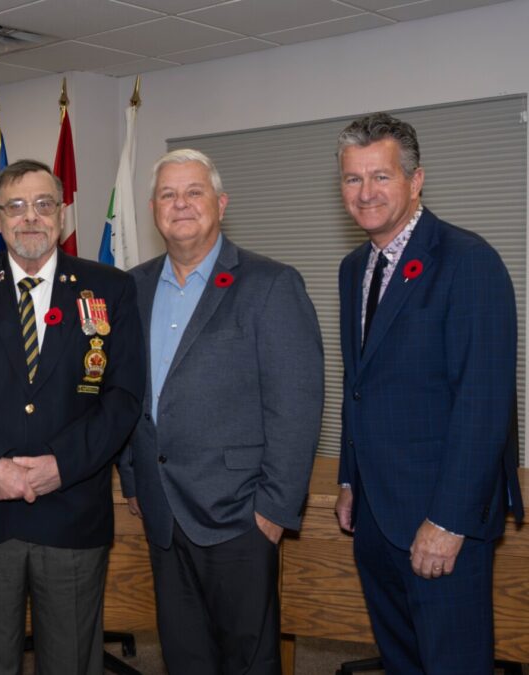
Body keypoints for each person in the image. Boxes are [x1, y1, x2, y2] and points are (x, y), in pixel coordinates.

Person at [0, 159, 144, 674]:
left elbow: (123, 397)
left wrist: (60, 465)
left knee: (70, 661)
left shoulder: (109, 288)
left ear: (62, 217)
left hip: (71, 509)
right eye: (16, 206)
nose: (31, 218)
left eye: (44, 204)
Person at [118, 148, 324, 675]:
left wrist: (274, 512)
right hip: (163, 514)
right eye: (168, 194)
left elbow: (296, 406)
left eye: (194, 192)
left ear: (221, 203)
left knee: (247, 662)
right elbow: (123, 394)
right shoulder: (131, 288)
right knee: (185, 657)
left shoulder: (270, 284)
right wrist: (134, 480)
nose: (180, 204)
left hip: (240, 516)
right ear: (153, 208)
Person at [334, 112, 523, 674]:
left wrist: (448, 522)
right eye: (352, 179)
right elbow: (359, 385)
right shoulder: (353, 269)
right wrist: (348, 478)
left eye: (381, 176)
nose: (365, 192)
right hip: (375, 517)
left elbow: (484, 404)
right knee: (403, 664)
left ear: (415, 182)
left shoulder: (468, 262)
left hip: (441, 525)